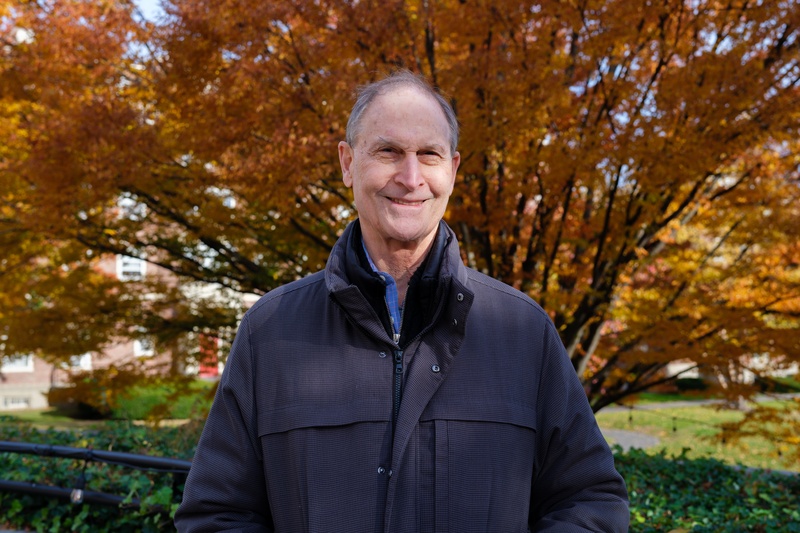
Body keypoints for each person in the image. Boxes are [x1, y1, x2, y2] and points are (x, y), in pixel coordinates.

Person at [174, 70, 629, 532]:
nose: (411, 178)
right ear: (348, 163)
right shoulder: (270, 331)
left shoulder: (522, 329)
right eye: (388, 151)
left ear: (451, 170)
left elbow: (589, 499)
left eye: (428, 155)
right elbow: (217, 514)